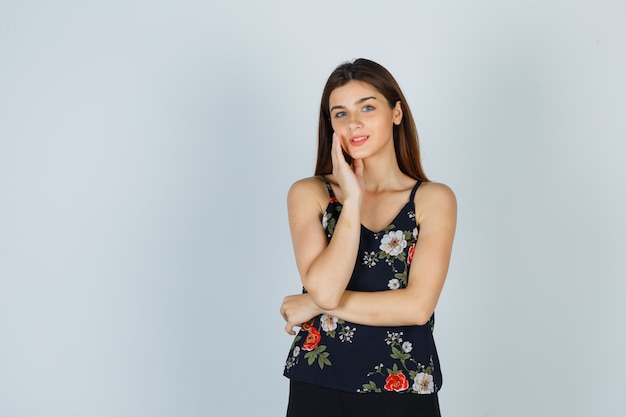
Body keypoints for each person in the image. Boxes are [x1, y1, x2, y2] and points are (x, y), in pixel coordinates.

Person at [280, 58, 456, 417]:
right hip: (319, 382)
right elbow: (326, 288)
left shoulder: (433, 199)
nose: (354, 122)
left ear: (396, 113)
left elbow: (417, 308)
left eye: (367, 107)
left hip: (404, 385)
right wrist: (354, 199)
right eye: (340, 113)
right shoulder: (310, 193)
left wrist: (314, 305)